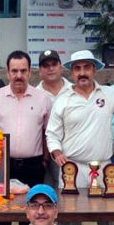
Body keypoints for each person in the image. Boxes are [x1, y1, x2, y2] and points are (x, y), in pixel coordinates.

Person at [45, 50, 114, 225]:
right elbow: (52, 133)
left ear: (94, 70)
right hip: (73, 169)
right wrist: (56, 151)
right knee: (69, 222)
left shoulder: (111, 95)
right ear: (72, 72)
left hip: (105, 168)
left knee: (110, 221)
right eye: (78, 68)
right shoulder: (63, 100)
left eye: (87, 68)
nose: (82, 73)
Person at [0, 50, 52, 225]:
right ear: (7, 72)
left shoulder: (43, 99)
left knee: (32, 213)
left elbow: (48, 132)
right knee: (2, 216)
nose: (19, 76)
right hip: (3, 166)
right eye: (14, 71)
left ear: (30, 72)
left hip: (33, 165)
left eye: (23, 71)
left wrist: (45, 159)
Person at [36, 49, 72, 187]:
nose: (50, 68)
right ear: (39, 71)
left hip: (71, 151)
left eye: (54, 64)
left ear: (60, 67)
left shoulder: (74, 89)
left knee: (71, 190)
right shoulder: (35, 94)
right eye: (45, 66)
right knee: (48, 191)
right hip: (44, 155)